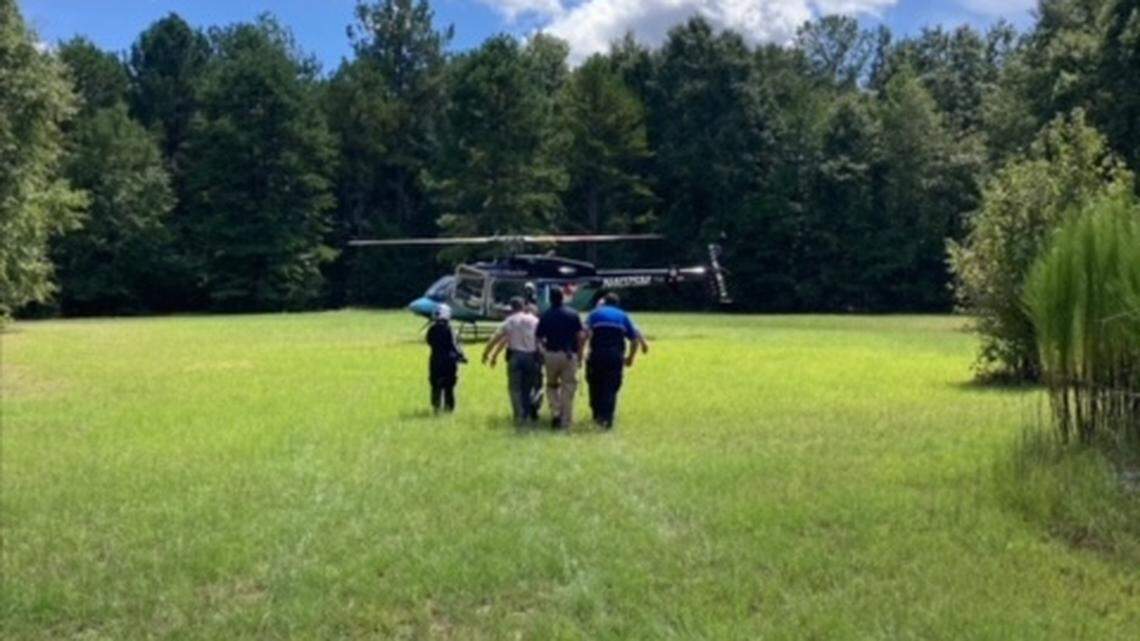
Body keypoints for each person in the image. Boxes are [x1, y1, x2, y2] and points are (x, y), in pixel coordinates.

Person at [583, 293, 648, 429]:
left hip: (597, 355)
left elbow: (583, 334)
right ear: (617, 304)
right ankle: (607, 419)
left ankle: (596, 413)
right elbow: (634, 340)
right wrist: (630, 358)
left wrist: (582, 352)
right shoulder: (622, 316)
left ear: (604, 302)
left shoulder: (594, 314)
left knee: (595, 383)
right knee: (611, 386)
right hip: (615, 356)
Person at [482, 297, 541, 425]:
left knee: (515, 388)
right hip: (531, 356)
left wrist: (486, 353)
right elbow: (541, 338)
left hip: (515, 356)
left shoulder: (510, 321)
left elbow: (496, 338)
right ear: (523, 307)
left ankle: (518, 415)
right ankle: (527, 413)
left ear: (511, 308)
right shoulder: (534, 320)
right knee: (528, 387)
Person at [535, 287, 586, 430]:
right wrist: (580, 354)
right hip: (569, 355)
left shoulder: (545, 315)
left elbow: (538, 337)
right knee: (568, 387)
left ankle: (555, 412)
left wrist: (542, 352)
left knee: (551, 385)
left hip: (551, 354)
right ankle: (565, 420)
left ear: (550, 299)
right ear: (562, 297)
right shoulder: (573, 314)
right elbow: (580, 336)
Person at [425, 304, 466, 413]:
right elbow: (454, 345)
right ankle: (449, 408)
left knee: (435, 385)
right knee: (449, 387)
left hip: (435, 360)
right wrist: (461, 356)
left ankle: (436, 407)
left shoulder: (432, 329)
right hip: (449, 361)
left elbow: (428, 341)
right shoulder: (449, 329)